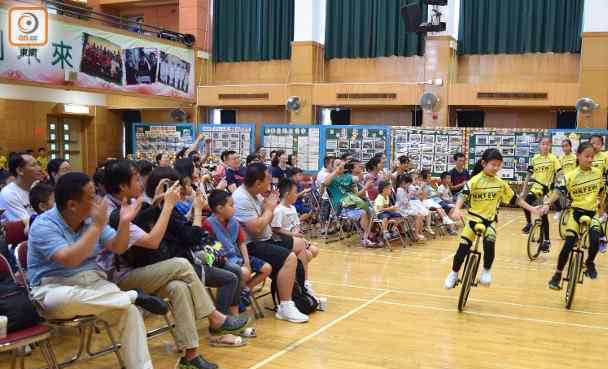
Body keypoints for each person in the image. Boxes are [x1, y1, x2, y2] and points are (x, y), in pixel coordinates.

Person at [27, 172, 169, 369]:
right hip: (54, 286)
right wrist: (96, 227)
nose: (98, 201)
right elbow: (70, 259)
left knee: (129, 312)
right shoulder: (44, 225)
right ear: (72, 205)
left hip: (94, 283)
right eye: (92, 197)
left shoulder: (91, 220)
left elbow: (118, 247)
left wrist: (125, 222)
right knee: (59, 299)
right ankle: (131, 296)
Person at [443, 149, 541, 289]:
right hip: (473, 220)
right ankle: (453, 273)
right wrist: (457, 209)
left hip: (489, 221)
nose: (496, 168)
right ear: (484, 163)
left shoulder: (500, 183)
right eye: (493, 164)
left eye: (498, 165)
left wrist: (532, 209)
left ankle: (486, 271)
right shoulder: (475, 181)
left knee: (489, 242)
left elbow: (516, 199)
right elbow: (463, 195)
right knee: (462, 249)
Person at [232, 163, 309, 323]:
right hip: (250, 245)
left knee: (300, 245)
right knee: (289, 258)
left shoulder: (256, 194)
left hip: (265, 238)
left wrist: (270, 207)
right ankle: (285, 306)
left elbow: (268, 218)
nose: (271, 184)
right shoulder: (241, 198)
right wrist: (269, 209)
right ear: (258, 182)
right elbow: (257, 228)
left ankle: (302, 288)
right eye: (268, 181)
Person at [540, 142, 604, 289]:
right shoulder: (570, 176)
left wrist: (601, 209)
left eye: (592, 157)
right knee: (569, 243)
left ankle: (589, 263)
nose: (590, 160)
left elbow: (601, 191)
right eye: (587, 156)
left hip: (592, 213)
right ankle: (557, 275)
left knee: (595, 239)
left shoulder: (597, 173)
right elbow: (557, 192)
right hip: (575, 213)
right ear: (578, 156)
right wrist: (547, 204)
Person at [203, 190, 272, 309]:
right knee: (244, 272)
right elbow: (210, 251)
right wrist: (224, 252)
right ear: (220, 208)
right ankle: (234, 303)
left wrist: (246, 261)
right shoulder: (208, 224)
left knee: (266, 268)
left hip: (237, 257)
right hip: (221, 261)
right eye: (231, 205)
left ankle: (244, 291)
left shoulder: (234, 222)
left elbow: (241, 243)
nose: (234, 208)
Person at [272, 179, 320, 296]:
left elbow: (296, 225)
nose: (297, 194)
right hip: (285, 241)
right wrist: (293, 235)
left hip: (296, 240)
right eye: (295, 192)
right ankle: (304, 282)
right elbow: (275, 229)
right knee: (307, 254)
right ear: (287, 194)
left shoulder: (292, 208)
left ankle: (298, 277)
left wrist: (298, 233)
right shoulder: (279, 210)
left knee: (314, 251)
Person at [521, 137, 561, 253]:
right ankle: (529, 223)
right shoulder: (534, 159)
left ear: (550, 146)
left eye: (548, 144)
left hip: (548, 190)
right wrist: (524, 191)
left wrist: (559, 186)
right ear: (539, 145)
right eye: (543, 144)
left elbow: (559, 174)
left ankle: (547, 241)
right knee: (525, 203)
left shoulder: (553, 158)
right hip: (536, 188)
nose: (545, 146)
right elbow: (528, 176)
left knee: (543, 213)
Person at [324, 160, 376, 247]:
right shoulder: (330, 177)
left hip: (353, 202)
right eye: (337, 165)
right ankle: (367, 237)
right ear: (333, 167)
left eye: (341, 165)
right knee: (363, 213)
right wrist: (335, 172)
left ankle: (366, 235)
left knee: (370, 210)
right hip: (341, 207)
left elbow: (359, 178)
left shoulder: (348, 176)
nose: (340, 167)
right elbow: (325, 183)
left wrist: (360, 170)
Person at [0, 152, 42, 222]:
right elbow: (28, 223)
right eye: (33, 165)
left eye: (38, 164)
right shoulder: (9, 194)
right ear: (20, 171)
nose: (40, 169)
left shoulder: (37, 187)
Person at [395, 174, 426, 241]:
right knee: (418, 215)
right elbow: (405, 202)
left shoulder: (403, 189)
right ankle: (416, 234)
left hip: (405, 208)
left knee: (420, 214)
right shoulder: (400, 190)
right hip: (401, 209)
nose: (409, 186)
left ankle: (417, 233)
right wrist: (410, 194)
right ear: (403, 183)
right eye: (408, 184)